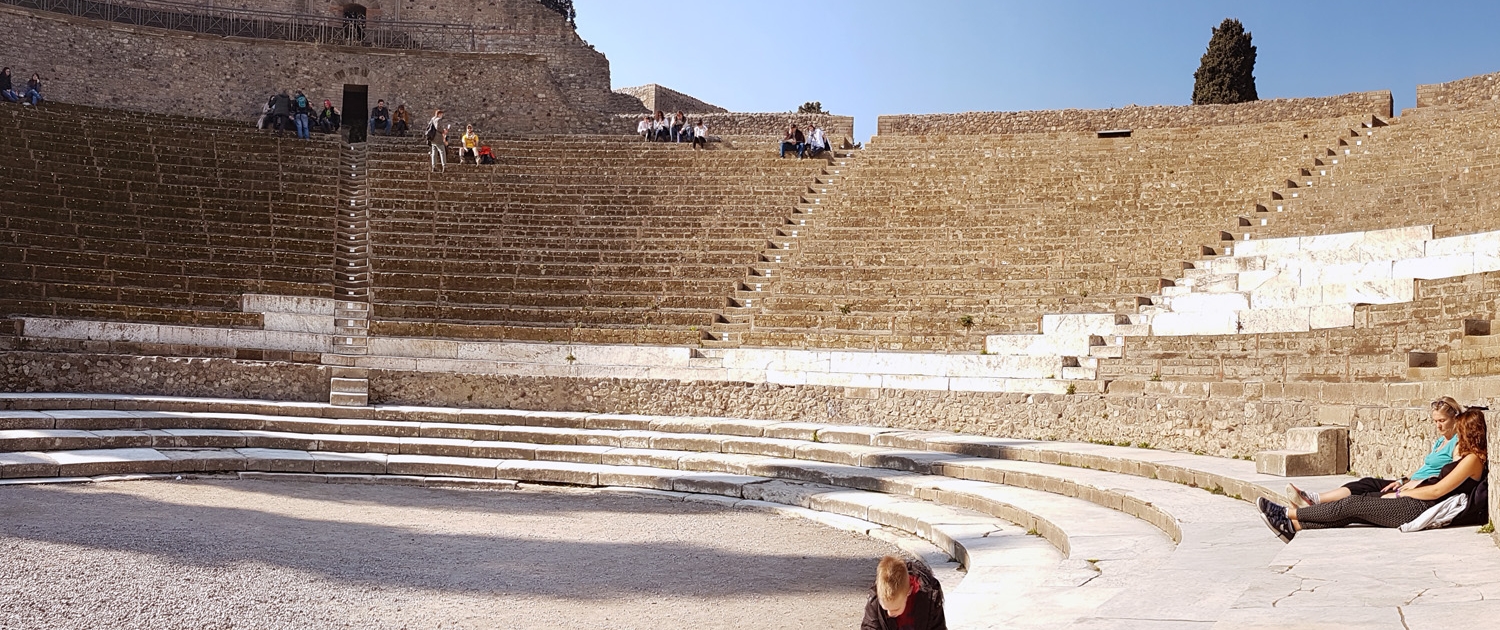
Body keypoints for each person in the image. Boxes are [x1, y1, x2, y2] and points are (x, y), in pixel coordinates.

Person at [1258, 407, 1489, 542]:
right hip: (1417, 501)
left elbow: (1439, 490)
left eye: (1460, 431)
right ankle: (1295, 527)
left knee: (1352, 504)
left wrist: (1398, 496)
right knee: (1355, 512)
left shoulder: (1472, 460)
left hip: (1419, 508)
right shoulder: (1468, 457)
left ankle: (1289, 513)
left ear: (1469, 432)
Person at [1287, 397, 1462, 508]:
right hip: (1411, 481)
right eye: (1435, 421)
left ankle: (1315, 508)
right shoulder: (1441, 440)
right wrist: (1402, 479)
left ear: (1455, 418)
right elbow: (1425, 466)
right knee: (1365, 483)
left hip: (1421, 487)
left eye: (1442, 421)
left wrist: (1417, 483)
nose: (1438, 425)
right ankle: (1315, 499)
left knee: (1367, 497)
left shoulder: (1457, 443)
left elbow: (1451, 475)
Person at [861, 555, 946, 630]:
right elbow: (870, 627)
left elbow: (938, 626)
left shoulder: (929, 598)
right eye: (886, 609)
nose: (890, 614)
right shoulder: (875, 600)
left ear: (908, 592)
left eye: (896, 609)